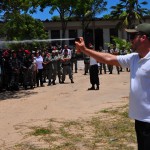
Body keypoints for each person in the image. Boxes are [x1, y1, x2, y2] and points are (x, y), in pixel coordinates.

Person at [75, 23, 150, 150]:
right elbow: (109, 58)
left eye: (133, 36)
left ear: (143, 38)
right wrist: (85, 50)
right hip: (141, 120)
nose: (130, 39)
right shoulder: (134, 58)